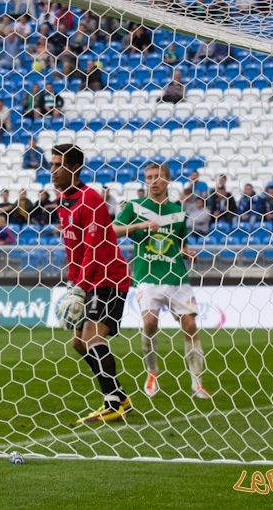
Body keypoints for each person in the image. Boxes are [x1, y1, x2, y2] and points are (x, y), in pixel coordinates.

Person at [51, 143, 132, 424]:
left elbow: (94, 248)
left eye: (57, 165)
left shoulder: (91, 200)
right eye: (51, 165)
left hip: (109, 277)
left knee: (92, 337)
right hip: (86, 279)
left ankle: (112, 404)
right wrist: (73, 283)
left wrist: (80, 286)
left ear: (75, 168)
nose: (52, 171)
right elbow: (73, 248)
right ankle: (119, 396)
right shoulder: (64, 201)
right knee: (78, 343)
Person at [113, 163, 208, 399]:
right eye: (148, 177)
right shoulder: (134, 207)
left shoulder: (178, 211)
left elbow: (180, 243)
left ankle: (197, 383)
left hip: (176, 276)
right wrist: (140, 225)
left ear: (167, 181)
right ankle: (152, 371)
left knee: (190, 325)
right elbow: (112, 230)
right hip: (147, 276)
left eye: (157, 177)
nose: (153, 181)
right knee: (149, 323)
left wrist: (188, 252)